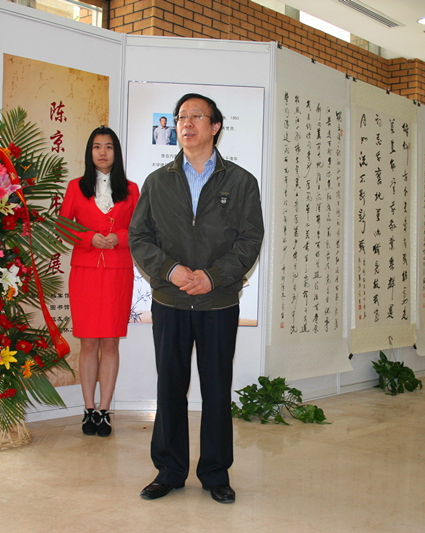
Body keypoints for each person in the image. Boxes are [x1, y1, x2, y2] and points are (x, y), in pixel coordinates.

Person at [130, 93, 264, 504]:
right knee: (170, 387)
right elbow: (140, 237)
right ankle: (169, 471)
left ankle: (215, 473)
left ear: (215, 126)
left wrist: (213, 276)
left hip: (218, 303)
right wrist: (170, 270)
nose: (186, 124)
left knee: (217, 389)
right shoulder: (158, 182)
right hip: (170, 302)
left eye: (196, 116)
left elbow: (249, 240)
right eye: (181, 117)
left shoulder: (241, 182)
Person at [59, 126, 139, 437]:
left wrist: (119, 238)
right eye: (96, 146)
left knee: (110, 343)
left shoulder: (131, 190)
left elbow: (142, 229)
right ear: (89, 152)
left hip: (118, 272)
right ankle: (88, 408)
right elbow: (63, 226)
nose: (102, 152)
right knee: (88, 342)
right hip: (85, 273)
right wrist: (89, 237)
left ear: (116, 152)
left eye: (108, 146)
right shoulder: (75, 187)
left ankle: (104, 411)